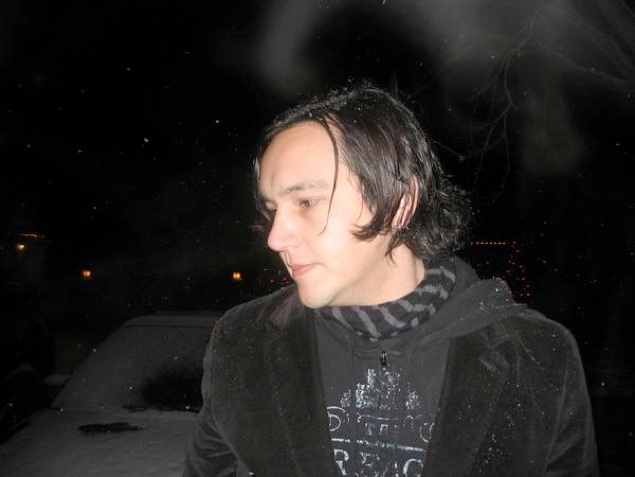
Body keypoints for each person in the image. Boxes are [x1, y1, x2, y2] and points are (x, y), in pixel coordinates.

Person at [184, 84, 599, 476]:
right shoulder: (242, 341)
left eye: (307, 202)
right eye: (273, 209)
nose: (275, 238)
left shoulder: (538, 356)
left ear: (401, 203)